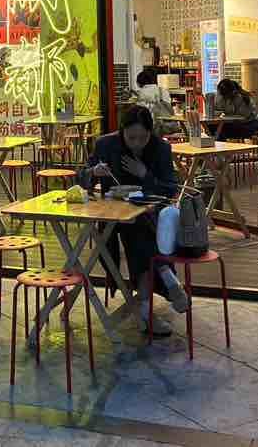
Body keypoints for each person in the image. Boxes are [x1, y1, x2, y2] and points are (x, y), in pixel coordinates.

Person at [79, 106, 190, 336]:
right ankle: (165, 277)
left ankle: (146, 308)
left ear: (151, 133)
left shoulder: (160, 148)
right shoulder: (106, 145)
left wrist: (144, 175)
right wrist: (93, 173)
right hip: (113, 215)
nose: (137, 143)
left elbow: (170, 188)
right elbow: (81, 177)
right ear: (122, 131)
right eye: (131, 138)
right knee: (141, 233)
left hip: (149, 215)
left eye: (143, 138)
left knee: (141, 233)